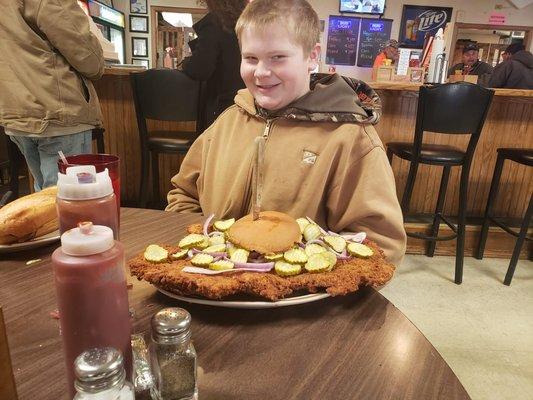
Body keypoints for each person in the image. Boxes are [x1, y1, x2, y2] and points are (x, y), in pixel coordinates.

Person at [167, 0, 406, 265]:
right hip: (212, 289)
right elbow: (183, 194)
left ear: (312, 56)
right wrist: (201, 249)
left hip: (303, 299)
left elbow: (380, 245)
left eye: (278, 57)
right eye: (250, 58)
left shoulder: (351, 139)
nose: (261, 72)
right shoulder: (227, 122)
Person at [0, 0, 104, 192]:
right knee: (69, 200)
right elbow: (90, 60)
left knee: (45, 198)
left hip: (15, 110)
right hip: (57, 110)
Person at [180, 0, 248, 132]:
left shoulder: (215, 22)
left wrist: (186, 62)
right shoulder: (251, 20)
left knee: (216, 150)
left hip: (223, 108)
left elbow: (200, 69)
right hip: (249, 104)